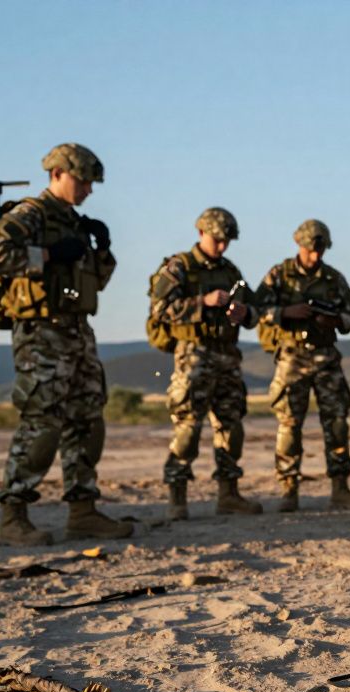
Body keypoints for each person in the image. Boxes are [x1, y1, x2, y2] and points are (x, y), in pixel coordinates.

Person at [0, 143, 132, 545]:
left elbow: (94, 282)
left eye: (90, 183)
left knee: (88, 418)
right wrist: (46, 254)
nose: (88, 189)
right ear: (57, 174)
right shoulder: (32, 215)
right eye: (82, 181)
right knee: (42, 421)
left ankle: (83, 510)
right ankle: (13, 515)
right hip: (41, 332)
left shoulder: (74, 223)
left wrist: (102, 250)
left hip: (77, 330)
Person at [151, 207, 261, 520]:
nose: (222, 246)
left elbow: (254, 311)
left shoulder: (230, 271)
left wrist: (244, 313)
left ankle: (229, 494)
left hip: (227, 354)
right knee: (187, 426)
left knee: (231, 426)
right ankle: (177, 498)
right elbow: (160, 309)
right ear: (201, 234)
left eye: (227, 241)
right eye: (217, 240)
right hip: (193, 354)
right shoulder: (180, 267)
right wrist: (204, 302)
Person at [255, 219, 350, 512]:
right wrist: (285, 312)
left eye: (320, 250)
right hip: (292, 356)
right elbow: (254, 310)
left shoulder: (333, 278)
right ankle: (288, 490)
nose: (316, 256)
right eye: (310, 250)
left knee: (337, 422)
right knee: (289, 424)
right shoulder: (279, 275)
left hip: (326, 355)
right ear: (299, 245)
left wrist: (336, 320)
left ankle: (340, 487)